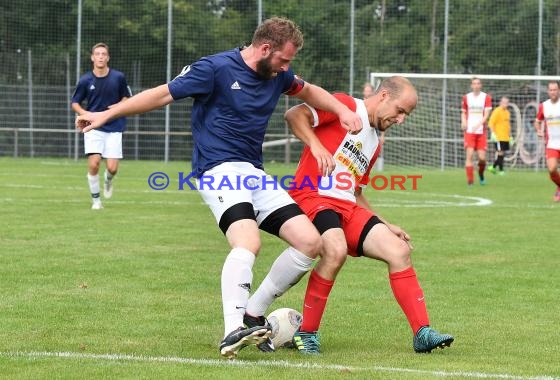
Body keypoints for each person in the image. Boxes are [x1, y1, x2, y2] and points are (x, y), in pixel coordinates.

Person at [76, 17, 362, 359]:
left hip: (253, 172)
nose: (288, 68)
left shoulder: (278, 74)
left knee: (309, 242)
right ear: (265, 49)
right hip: (217, 169)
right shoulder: (214, 69)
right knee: (248, 241)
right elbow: (161, 94)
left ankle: (252, 314)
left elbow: (309, 90)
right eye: (285, 60)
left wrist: (341, 110)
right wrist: (107, 115)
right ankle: (231, 332)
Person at [284, 76, 454, 354]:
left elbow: (355, 192)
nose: (401, 120)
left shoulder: (375, 143)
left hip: (345, 207)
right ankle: (307, 333)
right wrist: (316, 146)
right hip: (312, 196)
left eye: (406, 116)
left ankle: (422, 333)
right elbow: (294, 114)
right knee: (335, 250)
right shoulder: (345, 106)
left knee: (398, 249)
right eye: (400, 111)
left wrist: (386, 224)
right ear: (384, 95)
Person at [71, 42, 132, 210]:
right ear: (92, 57)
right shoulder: (85, 80)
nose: (100, 56)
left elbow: (127, 98)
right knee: (94, 163)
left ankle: (108, 180)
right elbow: (75, 103)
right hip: (93, 127)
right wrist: (85, 115)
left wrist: (116, 110)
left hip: (114, 125)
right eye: (97, 54)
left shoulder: (118, 77)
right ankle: (96, 201)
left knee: (112, 168)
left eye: (103, 54)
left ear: (108, 57)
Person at [534, 81, 560, 203]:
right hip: (552, 144)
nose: (553, 92)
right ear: (548, 91)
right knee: (552, 169)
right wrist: (538, 130)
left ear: (559, 90)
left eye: (555, 90)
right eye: (551, 90)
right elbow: (537, 121)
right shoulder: (543, 106)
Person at [461, 77, 492, 185]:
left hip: (481, 132)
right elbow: (463, 112)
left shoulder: (486, 97)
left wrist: (479, 124)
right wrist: (463, 122)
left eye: (478, 83)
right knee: (469, 155)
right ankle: (470, 181)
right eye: (474, 83)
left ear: (481, 85)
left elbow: (487, 115)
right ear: (471, 85)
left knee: (482, 158)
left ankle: (481, 174)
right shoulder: (466, 98)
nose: (476, 85)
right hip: (469, 132)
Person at [488, 96, 512, 175]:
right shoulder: (497, 111)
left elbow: (508, 126)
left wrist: (510, 136)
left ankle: (493, 167)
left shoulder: (507, 113)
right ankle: (501, 170)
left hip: (505, 137)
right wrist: (492, 133)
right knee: (500, 153)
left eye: (507, 103)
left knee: (502, 153)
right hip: (498, 137)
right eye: (504, 102)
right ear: (500, 103)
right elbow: (491, 123)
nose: (505, 104)